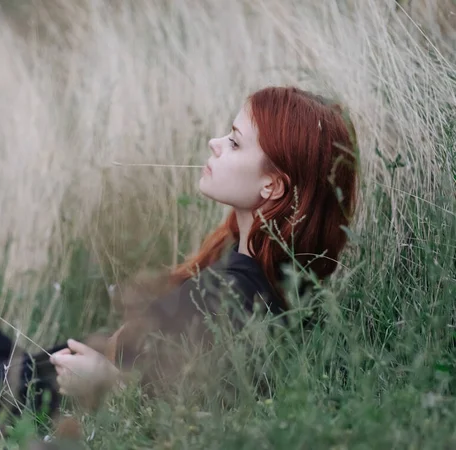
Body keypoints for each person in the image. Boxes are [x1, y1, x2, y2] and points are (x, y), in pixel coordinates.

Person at [49, 85, 359, 405]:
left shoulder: (238, 294)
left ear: (273, 185)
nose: (215, 143)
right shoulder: (278, 278)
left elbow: (193, 412)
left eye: (235, 142)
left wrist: (103, 381)